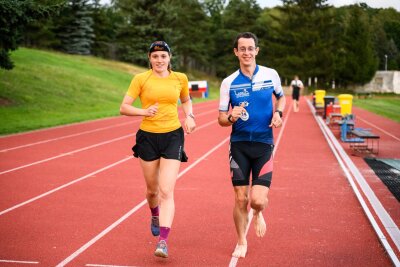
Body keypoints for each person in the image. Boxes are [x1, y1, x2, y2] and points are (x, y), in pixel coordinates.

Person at [120, 41, 196, 258]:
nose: (160, 60)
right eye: (156, 57)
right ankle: (154, 214)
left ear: (169, 57)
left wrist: (189, 116)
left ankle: (163, 241)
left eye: (163, 56)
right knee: (152, 191)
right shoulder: (140, 79)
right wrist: (143, 112)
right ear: (149, 58)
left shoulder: (180, 78)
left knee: (166, 190)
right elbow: (124, 107)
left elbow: (186, 100)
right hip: (148, 137)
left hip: (173, 135)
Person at [218, 32, 286, 258]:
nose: (246, 52)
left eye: (250, 48)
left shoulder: (270, 75)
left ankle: (258, 213)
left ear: (257, 50)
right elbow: (220, 119)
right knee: (240, 198)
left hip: (264, 144)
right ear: (236, 52)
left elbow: (281, 97)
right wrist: (230, 117)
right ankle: (241, 241)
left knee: (257, 200)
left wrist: (278, 112)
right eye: (242, 49)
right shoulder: (228, 82)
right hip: (238, 145)